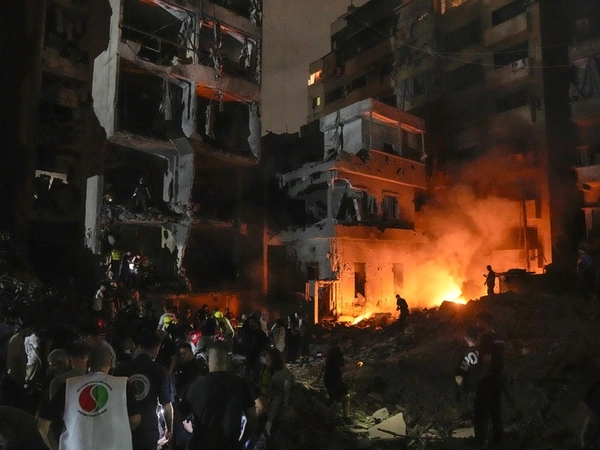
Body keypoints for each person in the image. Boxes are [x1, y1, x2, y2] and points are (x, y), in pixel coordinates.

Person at [38, 344, 141, 450]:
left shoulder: (69, 385)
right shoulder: (123, 385)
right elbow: (135, 419)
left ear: (87, 363)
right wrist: (120, 432)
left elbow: (42, 426)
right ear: (110, 362)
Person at [178, 342, 256, 450]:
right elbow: (252, 416)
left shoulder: (196, 385)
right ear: (229, 359)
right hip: (230, 446)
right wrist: (242, 441)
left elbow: (179, 415)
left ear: (206, 359)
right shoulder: (240, 384)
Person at [114, 331, 174, 450]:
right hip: (148, 431)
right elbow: (166, 405)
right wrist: (169, 429)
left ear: (140, 347)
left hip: (123, 427)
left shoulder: (120, 368)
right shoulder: (160, 371)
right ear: (156, 350)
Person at [473, 311, 505, 448]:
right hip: (498, 378)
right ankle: (499, 440)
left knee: (480, 411)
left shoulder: (487, 338)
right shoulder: (500, 338)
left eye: (477, 322)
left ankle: (481, 443)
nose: (476, 325)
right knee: (495, 410)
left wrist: (480, 375)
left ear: (483, 321)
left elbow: (486, 358)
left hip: (487, 379)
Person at [265, 348, 296, 448]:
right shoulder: (287, 373)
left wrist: (269, 421)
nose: (267, 362)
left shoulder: (276, 378)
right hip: (290, 414)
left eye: (268, 359)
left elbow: (276, 401)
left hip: (280, 417)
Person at [455, 326, 479, 418]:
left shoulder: (466, 354)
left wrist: (457, 389)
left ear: (465, 338)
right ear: (478, 337)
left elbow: (460, 374)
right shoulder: (485, 352)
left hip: (473, 389)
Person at [323, 345, 350, 421]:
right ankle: (330, 421)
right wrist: (355, 366)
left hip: (329, 379)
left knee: (343, 397)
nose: (350, 345)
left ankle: (345, 417)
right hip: (335, 380)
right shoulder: (337, 351)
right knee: (336, 401)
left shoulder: (332, 349)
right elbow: (342, 367)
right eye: (349, 343)